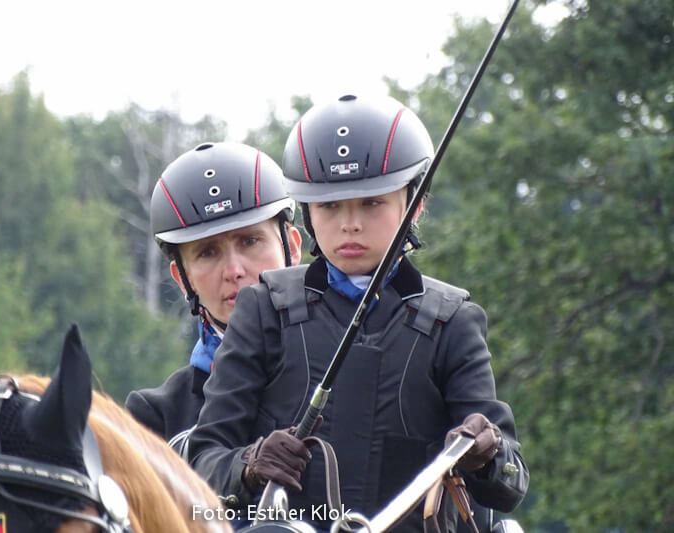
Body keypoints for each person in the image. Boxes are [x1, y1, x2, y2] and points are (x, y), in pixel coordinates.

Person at [187, 95, 529, 532]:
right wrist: (249, 464)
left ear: (414, 204)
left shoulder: (454, 322)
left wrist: (488, 453)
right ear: (308, 211)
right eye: (330, 206)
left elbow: (511, 484)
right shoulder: (262, 309)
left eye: (371, 203)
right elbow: (202, 464)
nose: (350, 224)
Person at [125, 142, 302, 453]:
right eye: (208, 252)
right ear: (183, 279)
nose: (233, 271)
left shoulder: (354, 358)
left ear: (293, 247)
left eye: (250, 241)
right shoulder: (156, 419)